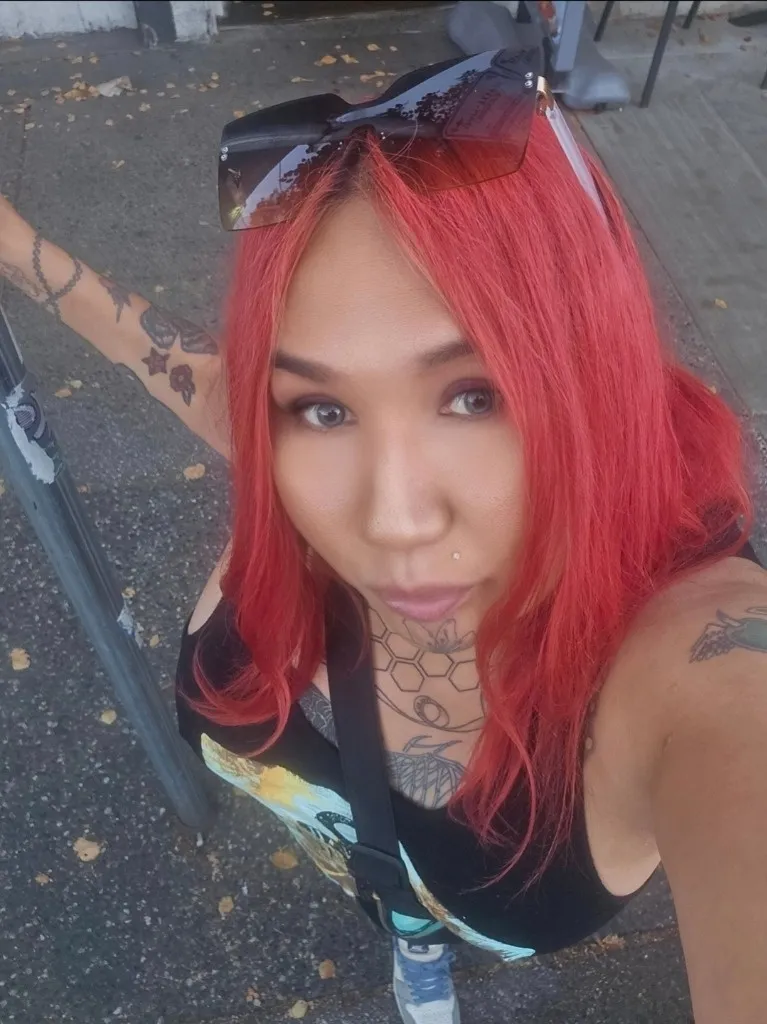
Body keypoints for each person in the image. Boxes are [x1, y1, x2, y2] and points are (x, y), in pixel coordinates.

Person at [2, 47, 767, 1024]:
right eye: (323, 408)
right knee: (404, 902)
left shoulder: (700, 663)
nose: (390, 522)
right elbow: (178, 366)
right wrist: (13, 245)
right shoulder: (277, 448)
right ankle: (413, 935)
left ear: (596, 381)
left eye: (474, 395)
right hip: (368, 855)